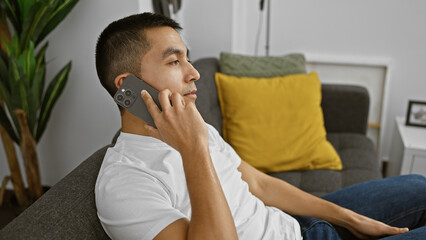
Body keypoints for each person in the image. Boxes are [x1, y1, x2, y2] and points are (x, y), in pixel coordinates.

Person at [94, 12, 426, 240]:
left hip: (300, 228)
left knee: (418, 185)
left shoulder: (199, 129)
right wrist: (193, 148)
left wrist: (351, 219)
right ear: (129, 87)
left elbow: (259, 185)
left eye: (188, 58)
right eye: (174, 61)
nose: (194, 73)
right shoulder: (125, 183)